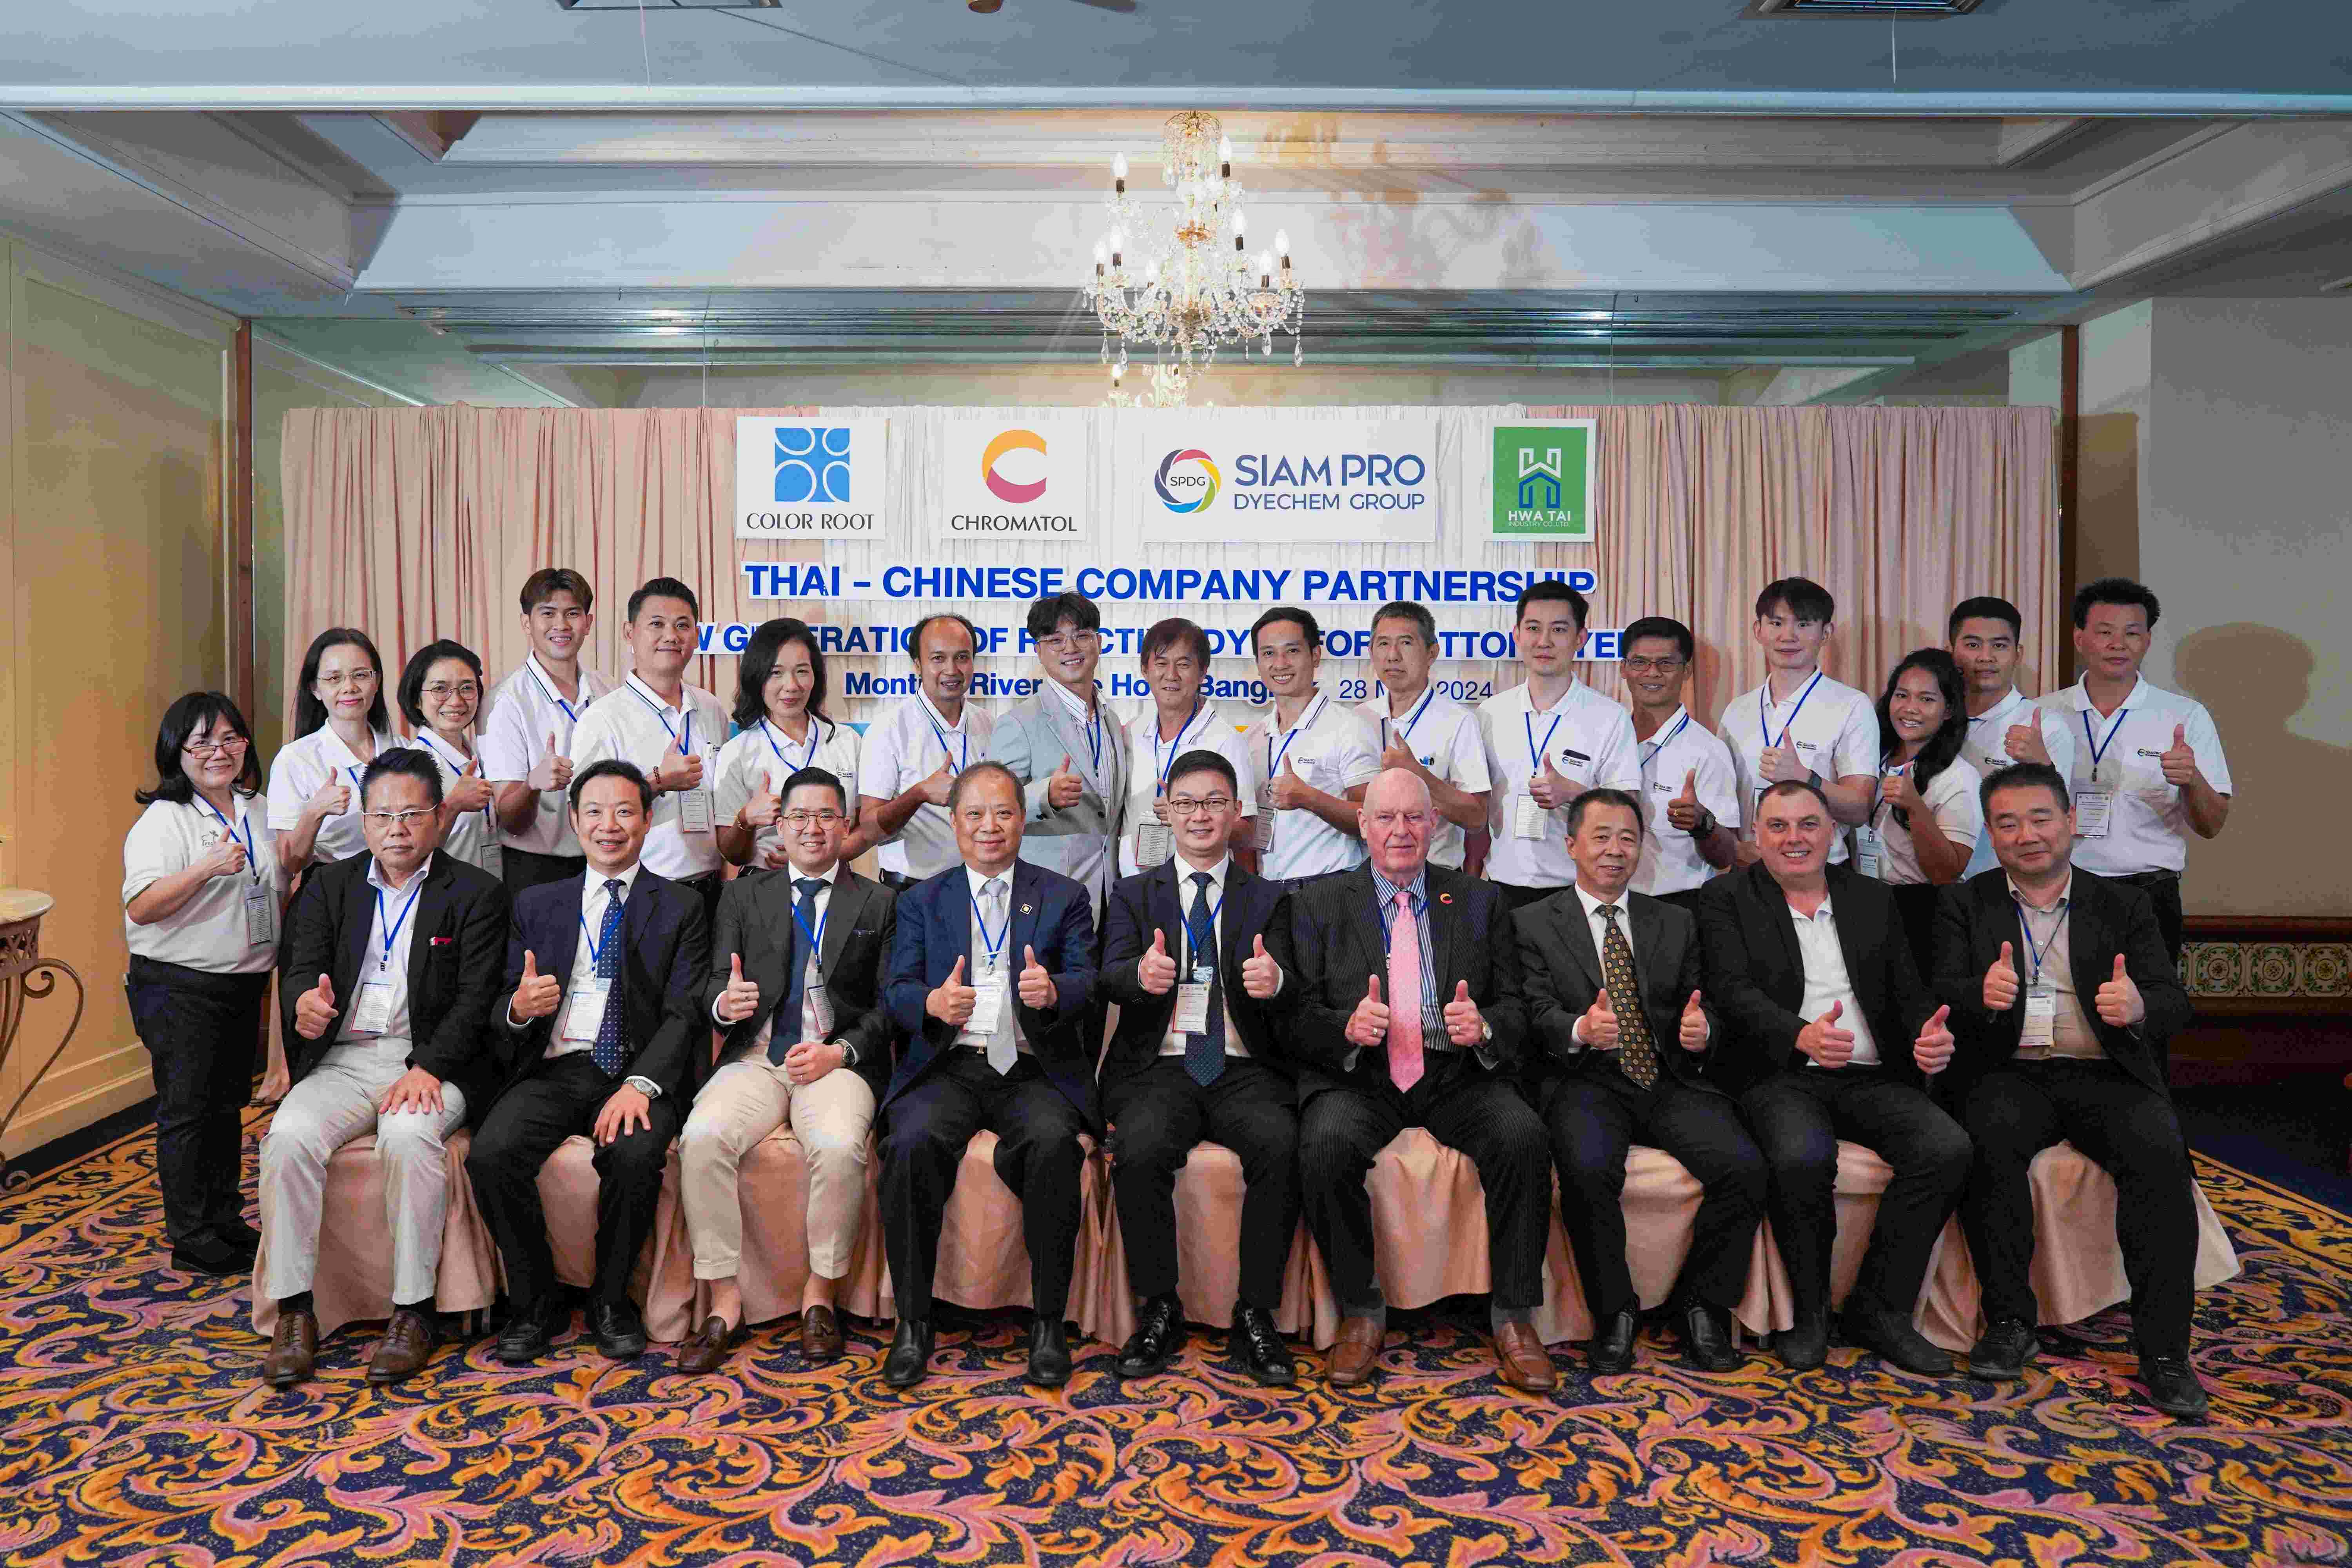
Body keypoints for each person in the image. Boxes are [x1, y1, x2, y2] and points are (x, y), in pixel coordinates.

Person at [1933, 762, 2208, 1417]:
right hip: (2010, 1071)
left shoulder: (2124, 904)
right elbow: (1936, 991)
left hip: (2104, 1072)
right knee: (1985, 1143)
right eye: (2007, 824)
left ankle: (2166, 1352)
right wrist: (1977, 995)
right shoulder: (1965, 903)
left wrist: (2139, 1006)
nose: (2026, 835)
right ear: (1991, 835)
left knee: (2160, 1153)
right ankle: (2009, 1321)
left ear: (2071, 821)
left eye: (2040, 818)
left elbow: (2175, 1001)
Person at [1269, 768, 1557, 1393]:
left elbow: (1517, 1006)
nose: (1400, 831)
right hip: (1362, 1075)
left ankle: (1515, 1316)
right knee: (1324, 1144)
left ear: (1433, 824)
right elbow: (1293, 1018)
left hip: (1454, 1072)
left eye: (1412, 818)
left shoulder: (1478, 900)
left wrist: (1484, 1026)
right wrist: (1344, 1028)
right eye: (1385, 818)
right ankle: (1360, 1310)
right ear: (1363, 827)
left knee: (1523, 1136)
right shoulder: (1316, 902)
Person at [1695, 780, 1971, 1377]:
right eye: (1777, 826)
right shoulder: (1726, 898)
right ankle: (1810, 1313)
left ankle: (1882, 1308)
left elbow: (1907, 991)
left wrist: (1931, 1035)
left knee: (1946, 1148)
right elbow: (1731, 991)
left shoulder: (1872, 897)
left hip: (1871, 1074)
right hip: (1781, 1073)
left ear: (1833, 832)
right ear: (1757, 834)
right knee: (1802, 1157)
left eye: (1808, 825)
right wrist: (1799, 1034)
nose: (1794, 838)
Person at [260, 749, 508, 1388]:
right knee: (288, 1138)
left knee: (409, 1136)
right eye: (383, 816)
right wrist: (304, 1007)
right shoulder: (329, 887)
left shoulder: (477, 893)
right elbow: (301, 971)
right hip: (345, 1060)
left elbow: (476, 1000)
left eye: (412, 815)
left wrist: (429, 1067)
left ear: (439, 816)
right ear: (365, 821)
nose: (397, 829)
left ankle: (413, 1310)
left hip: (431, 1061)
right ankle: (294, 1310)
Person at [466, 759, 711, 1365]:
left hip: (638, 1069)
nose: (610, 826)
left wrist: (641, 1085)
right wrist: (519, 1008)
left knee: (634, 1155)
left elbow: (684, 1013)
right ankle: (535, 1302)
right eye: (595, 812)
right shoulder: (537, 903)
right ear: (574, 821)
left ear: (648, 820)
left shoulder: (681, 906)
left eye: (625, 812)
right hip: (558, 1066)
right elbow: (501, 1000)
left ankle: (610, 1300)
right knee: (491, 1152)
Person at [1515, 788, 1762, 1374]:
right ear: (1571, 845)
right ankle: (1614, 1312)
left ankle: (1703, 1305)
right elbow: (1530, 1011)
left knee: (1744, 1166)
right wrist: (1579, 1027)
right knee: (1587, 1169)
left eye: (1628, 838)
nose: (1615, 850)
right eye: (1601, 837)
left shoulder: (1675, 920)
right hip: (1584, 1080)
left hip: (1666, 1077)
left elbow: (1706, 1004)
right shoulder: (1531, 922)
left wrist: (1703, 1030)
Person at [877, 762, 1099, 1389]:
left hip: (1031, 1066)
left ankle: (1049, 1322)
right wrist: (930, 1002)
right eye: (974, 814)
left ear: (1022, 819)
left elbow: (1089, 981)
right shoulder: (922, 900)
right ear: (954, 823)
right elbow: (895, 990)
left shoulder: (1064, 896)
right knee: (910, 1144)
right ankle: (913, 1321)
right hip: (949, 1064)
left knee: (1054, 1145)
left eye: (1003, 812)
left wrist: (1055, 991)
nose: (989, 827)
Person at [677, 766, 897, 1375]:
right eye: (799, 816)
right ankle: (725, 1302)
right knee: (702, 1137)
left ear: (846, 825)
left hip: (834, 1060)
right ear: (780, 824)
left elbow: (889, 1008)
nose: (812, 828)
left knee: (840, 1146)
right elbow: (715, 983)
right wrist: (725, 1004)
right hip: (758, 1056)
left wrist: (840, 1052)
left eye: (826, 816)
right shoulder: (743, 895)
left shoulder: (879, 902)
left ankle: (819, 1296)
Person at [1096, 750, 1300, 1386]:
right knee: (1140, 1149)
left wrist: (1276, 982)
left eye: (1214, 802)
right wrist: (1140, 975)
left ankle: (1256, 1312)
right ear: (1166, 811)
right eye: (1186, 803)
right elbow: (1108, 976)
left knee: (1281, 1144)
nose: (1200, 816)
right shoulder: (1133, 895)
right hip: (1161, 1065)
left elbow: (1300, 992)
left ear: (1237, 811)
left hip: (1243, 1065)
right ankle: (1159, 1308)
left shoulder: (1271, 898)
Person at [122, 693, 285, 1277]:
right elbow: (143, 907)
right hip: (180, 986)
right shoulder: (164, 819)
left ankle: (224, 1219)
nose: (219, 751)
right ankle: (191, 1237)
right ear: (177, 751)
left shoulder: (258, 806)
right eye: (202, 742)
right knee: (189, 1111)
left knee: (225, 1108)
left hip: (241, 983)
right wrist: (205, 868)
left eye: (230, 738)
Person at [2052, 577, 2232, 964]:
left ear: (2147, 641)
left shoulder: (2184, 715)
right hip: (2058, 888)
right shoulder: (2042, 714)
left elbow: (2212, 825)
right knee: (2062, 1000)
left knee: (2148, 1000)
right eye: (2105, 632)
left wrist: (2192, 780)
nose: (2118, 644)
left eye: (2132, 633)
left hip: (2149, 895)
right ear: (2080, 639)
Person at [564, 577, 730, 928]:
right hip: (640, 892)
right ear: (630, 633)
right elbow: (585, 812)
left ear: (696, 636)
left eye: (682, 626)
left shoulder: (711, 708)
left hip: (711, 889)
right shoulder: (603, 718)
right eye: (657, 624)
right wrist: (657, 782)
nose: (671, 635)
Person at [1477, 581, 1641, 908]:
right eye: (1533, 628)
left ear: (1581, 638)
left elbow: (1630, 809)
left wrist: (1575, 794)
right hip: (1500, 887)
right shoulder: (1490, 713)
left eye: (1559, 630)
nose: (1544, 641)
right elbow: (1476, 808)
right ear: (1517, 635)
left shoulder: (1610, 717)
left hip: (1577, 892)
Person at [985, 591, 1129, 918]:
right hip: (1048, 897)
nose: (1070, 648)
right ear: (1038, 651)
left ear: (1099, 642)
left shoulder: (1111, 719)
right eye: (1055, 640)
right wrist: (1043, 795)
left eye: (1081, 636)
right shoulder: (1018, 723)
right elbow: (990, 806)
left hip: (1110, 894)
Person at [1718, 579, 1880, 868]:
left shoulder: (1852, 705)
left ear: (1826, 633)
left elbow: (1859, 810)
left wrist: (1805, 778)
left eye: (1803, 624)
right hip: (1749, 870)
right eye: (1776, 623)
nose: (1788, 636)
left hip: (1821, 870)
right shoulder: (1737, 710)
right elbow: (1723, 801)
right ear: (1758, 630)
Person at [481, 567, 612, 897]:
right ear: (527, 623)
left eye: (573, 614)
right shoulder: (504, 702)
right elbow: (510, 818)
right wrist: (532, 784)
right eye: (548, 613)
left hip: (606, 859)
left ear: (589, 622)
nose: (561, 625)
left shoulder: (609, 690)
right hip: (537, 869)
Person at [713, 617, 867, 873]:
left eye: (802, 671)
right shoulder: (737, 752)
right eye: (776, 673)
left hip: (836, 882)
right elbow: (733, 855)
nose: (792, 686)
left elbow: (864, 826)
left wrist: (820, 857)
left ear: (816, 676)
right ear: (757, 677)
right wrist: (746, 819)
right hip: (763, 883)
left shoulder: (847, 741)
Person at [859, 613, 998, 890]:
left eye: (962, 657)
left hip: (980, 887)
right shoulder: (889, 728)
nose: (951, 670)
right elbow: (870, 829)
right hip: (911, 890)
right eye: (938, 659)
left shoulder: (988, 724)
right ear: (918, 665)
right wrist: (919, 794)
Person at [1864, 650, 1983, 972]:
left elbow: (1947, 874)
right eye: (1901, 695)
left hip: (1924, 911)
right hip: (1865, 900)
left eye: (1927, 699)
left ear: (1949, 711)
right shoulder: (1871, 758)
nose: (1910, 708)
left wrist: (1916, 807)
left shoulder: (1959, 777)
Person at [1947, 595, 2078, 879]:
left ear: (2018, 653)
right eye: (1973, 645)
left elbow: (2055, 822)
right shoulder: (1933, 716)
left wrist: (2042, 766)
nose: (1986, 657)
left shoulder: (2046, 727)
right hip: (1928, 875)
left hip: (2002, 881)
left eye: (2000, 646)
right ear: (1951, 651)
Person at [1247, 607, 1380, 887]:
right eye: (1269, 653)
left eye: (1292, 651)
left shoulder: (1349, 727)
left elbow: (1374, 821)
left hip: (1331, 887)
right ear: (1258, 663)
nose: (1280, 664)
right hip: (1267, 890)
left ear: (1315, 655)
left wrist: (1309, 798)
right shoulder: (1253, 737)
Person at [1118, 617, 1260, 878]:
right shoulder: (1130, 733)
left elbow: (1246, 832)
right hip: (1131, 885)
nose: (1171, 675)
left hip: (1198, 887)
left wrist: (1188, 816)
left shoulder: (1226, 741)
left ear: (1203, 672)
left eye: (1184, 664)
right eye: (1161, 663)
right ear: (1145, 670)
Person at [1618, 616, 1740, 910]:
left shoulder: (1708, 751)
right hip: (1605, 901)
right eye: (1640, 662)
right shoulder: (1605, 737)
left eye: (1666, 663)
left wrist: (1703, 824)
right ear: (1624, 669)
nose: (1653, 673)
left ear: (1686, 671)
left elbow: (1726, 857)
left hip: (1678, 907)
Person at [1357, 600, 1490, 871]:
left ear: (1432, 653)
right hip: (1366, 879)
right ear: (1371, 652)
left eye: (1406, 643)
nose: (1393, 656)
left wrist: (1417, 773)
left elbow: (1477, 818)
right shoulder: (1359, 718)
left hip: (1435, 876)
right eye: (1383, 644)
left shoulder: (1458, 721)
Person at [269, 627, 395, 871]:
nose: (349, 687)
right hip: (333, 884)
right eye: (334, 678)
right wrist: (315, 811)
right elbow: (290, 862)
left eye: (360, 675)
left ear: (377, 681)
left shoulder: (402, 748)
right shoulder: (295, 759)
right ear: (315, 689)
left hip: (403, 880)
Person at [396, 639, 503, 880]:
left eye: (467, 688)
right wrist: (453, 806)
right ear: (417, 699)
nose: (455, 701)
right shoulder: (412, 768)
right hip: (443, 892)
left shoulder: (482, 753)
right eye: (440, 689)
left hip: (490, 889)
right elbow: (409, 858)